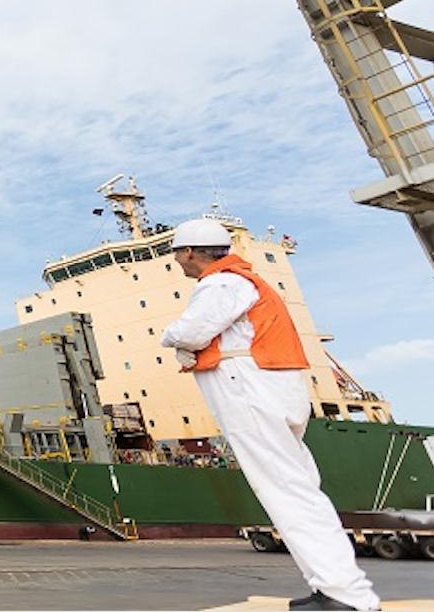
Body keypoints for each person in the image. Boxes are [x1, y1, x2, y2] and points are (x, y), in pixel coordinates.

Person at [160, 218, 376, 611]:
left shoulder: (222, 283)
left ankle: (347, 596)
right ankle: (335, 587)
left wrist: (173, 339)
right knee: (299, 490)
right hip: (270, 388)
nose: (176, 260)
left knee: (287, 492)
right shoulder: (245, 282)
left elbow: (190, 332)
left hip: (250, 392)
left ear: (189, 252)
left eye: (176, 252)